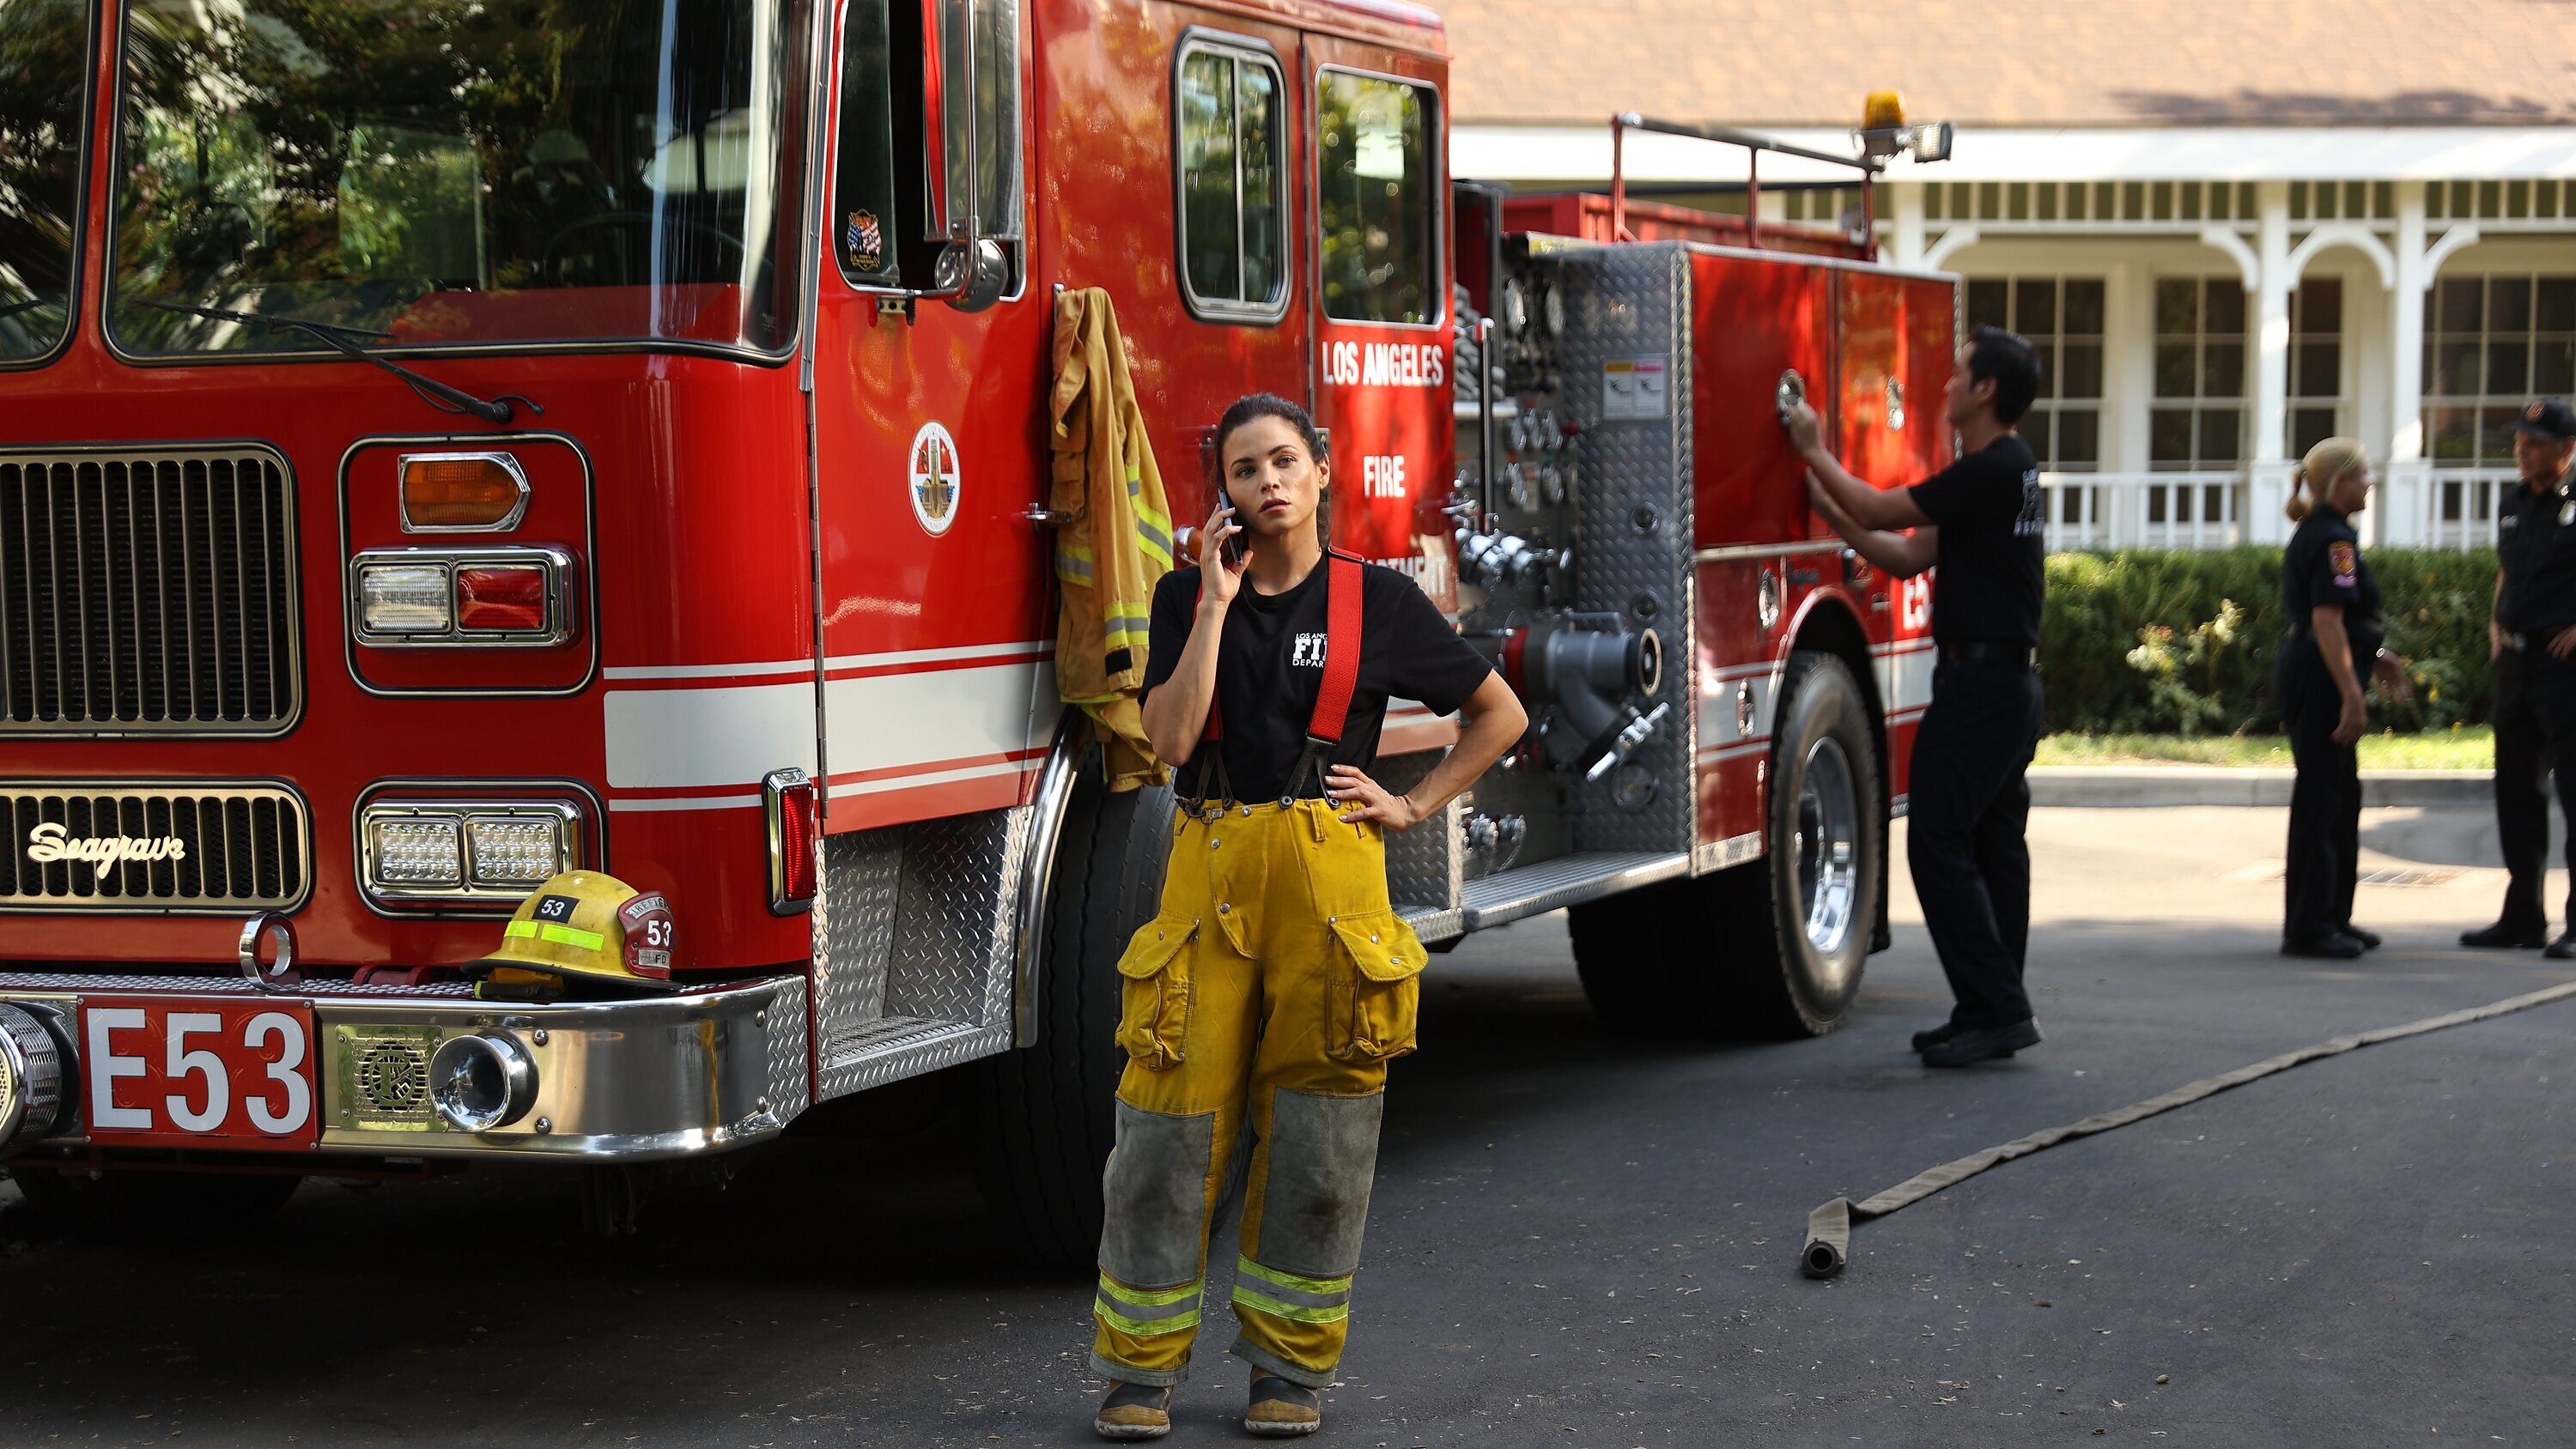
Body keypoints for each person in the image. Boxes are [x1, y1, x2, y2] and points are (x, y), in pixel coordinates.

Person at [1088, 394, 1527, 1440]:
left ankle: (1288, 1369)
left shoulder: (1379, 600)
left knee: (1321, 1133)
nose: (1269, 482)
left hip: (1332, 881)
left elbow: (1499, 713)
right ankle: (1137, 1372)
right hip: (1208, 865)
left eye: (1285, 460)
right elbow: (1168, 740)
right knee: (1164, 1122)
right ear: (1225, 494)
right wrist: (1213, 605)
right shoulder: (1184, 594)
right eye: (1245, 469)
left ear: (1322, 468)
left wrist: (1412, 803)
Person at [1787, 325, 2047, 1068]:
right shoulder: (2010, 470)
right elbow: (1903, 556)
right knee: (1994, 845)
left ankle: (1998, 1006)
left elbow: (1881, 511)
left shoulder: (1990, 469)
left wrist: (1812, 449)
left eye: (1959, 373)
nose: (1946, 384)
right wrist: (1830, 508)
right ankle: (1992, 1006)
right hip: (2007, 685)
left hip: (1982, 687)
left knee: (1937, 842)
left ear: (1986, 390)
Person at [2274, 439, 2413, 958]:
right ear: (2340, 483)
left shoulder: (2329, 533)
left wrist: (2375, 654)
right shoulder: (2333, 539)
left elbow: (2345, 622)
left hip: (2324, 667)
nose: (2370, 483)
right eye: (2363, 475)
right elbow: (2327, 621)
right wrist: (2352, 694)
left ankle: (2333, 915)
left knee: (2340, 796)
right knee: (2322, 798)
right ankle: (2309, 926)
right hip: (2320, 678)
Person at [2464, 397, 2576, 955]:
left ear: (2566, 450)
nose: (2523, 453)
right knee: (2515, 790)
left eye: (2535, 445)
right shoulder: (2511, 503)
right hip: (2517, 661)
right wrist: (2495, 625)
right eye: (2519, 443)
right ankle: (2523, 916)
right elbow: (2508, 571)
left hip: (2565, 666)